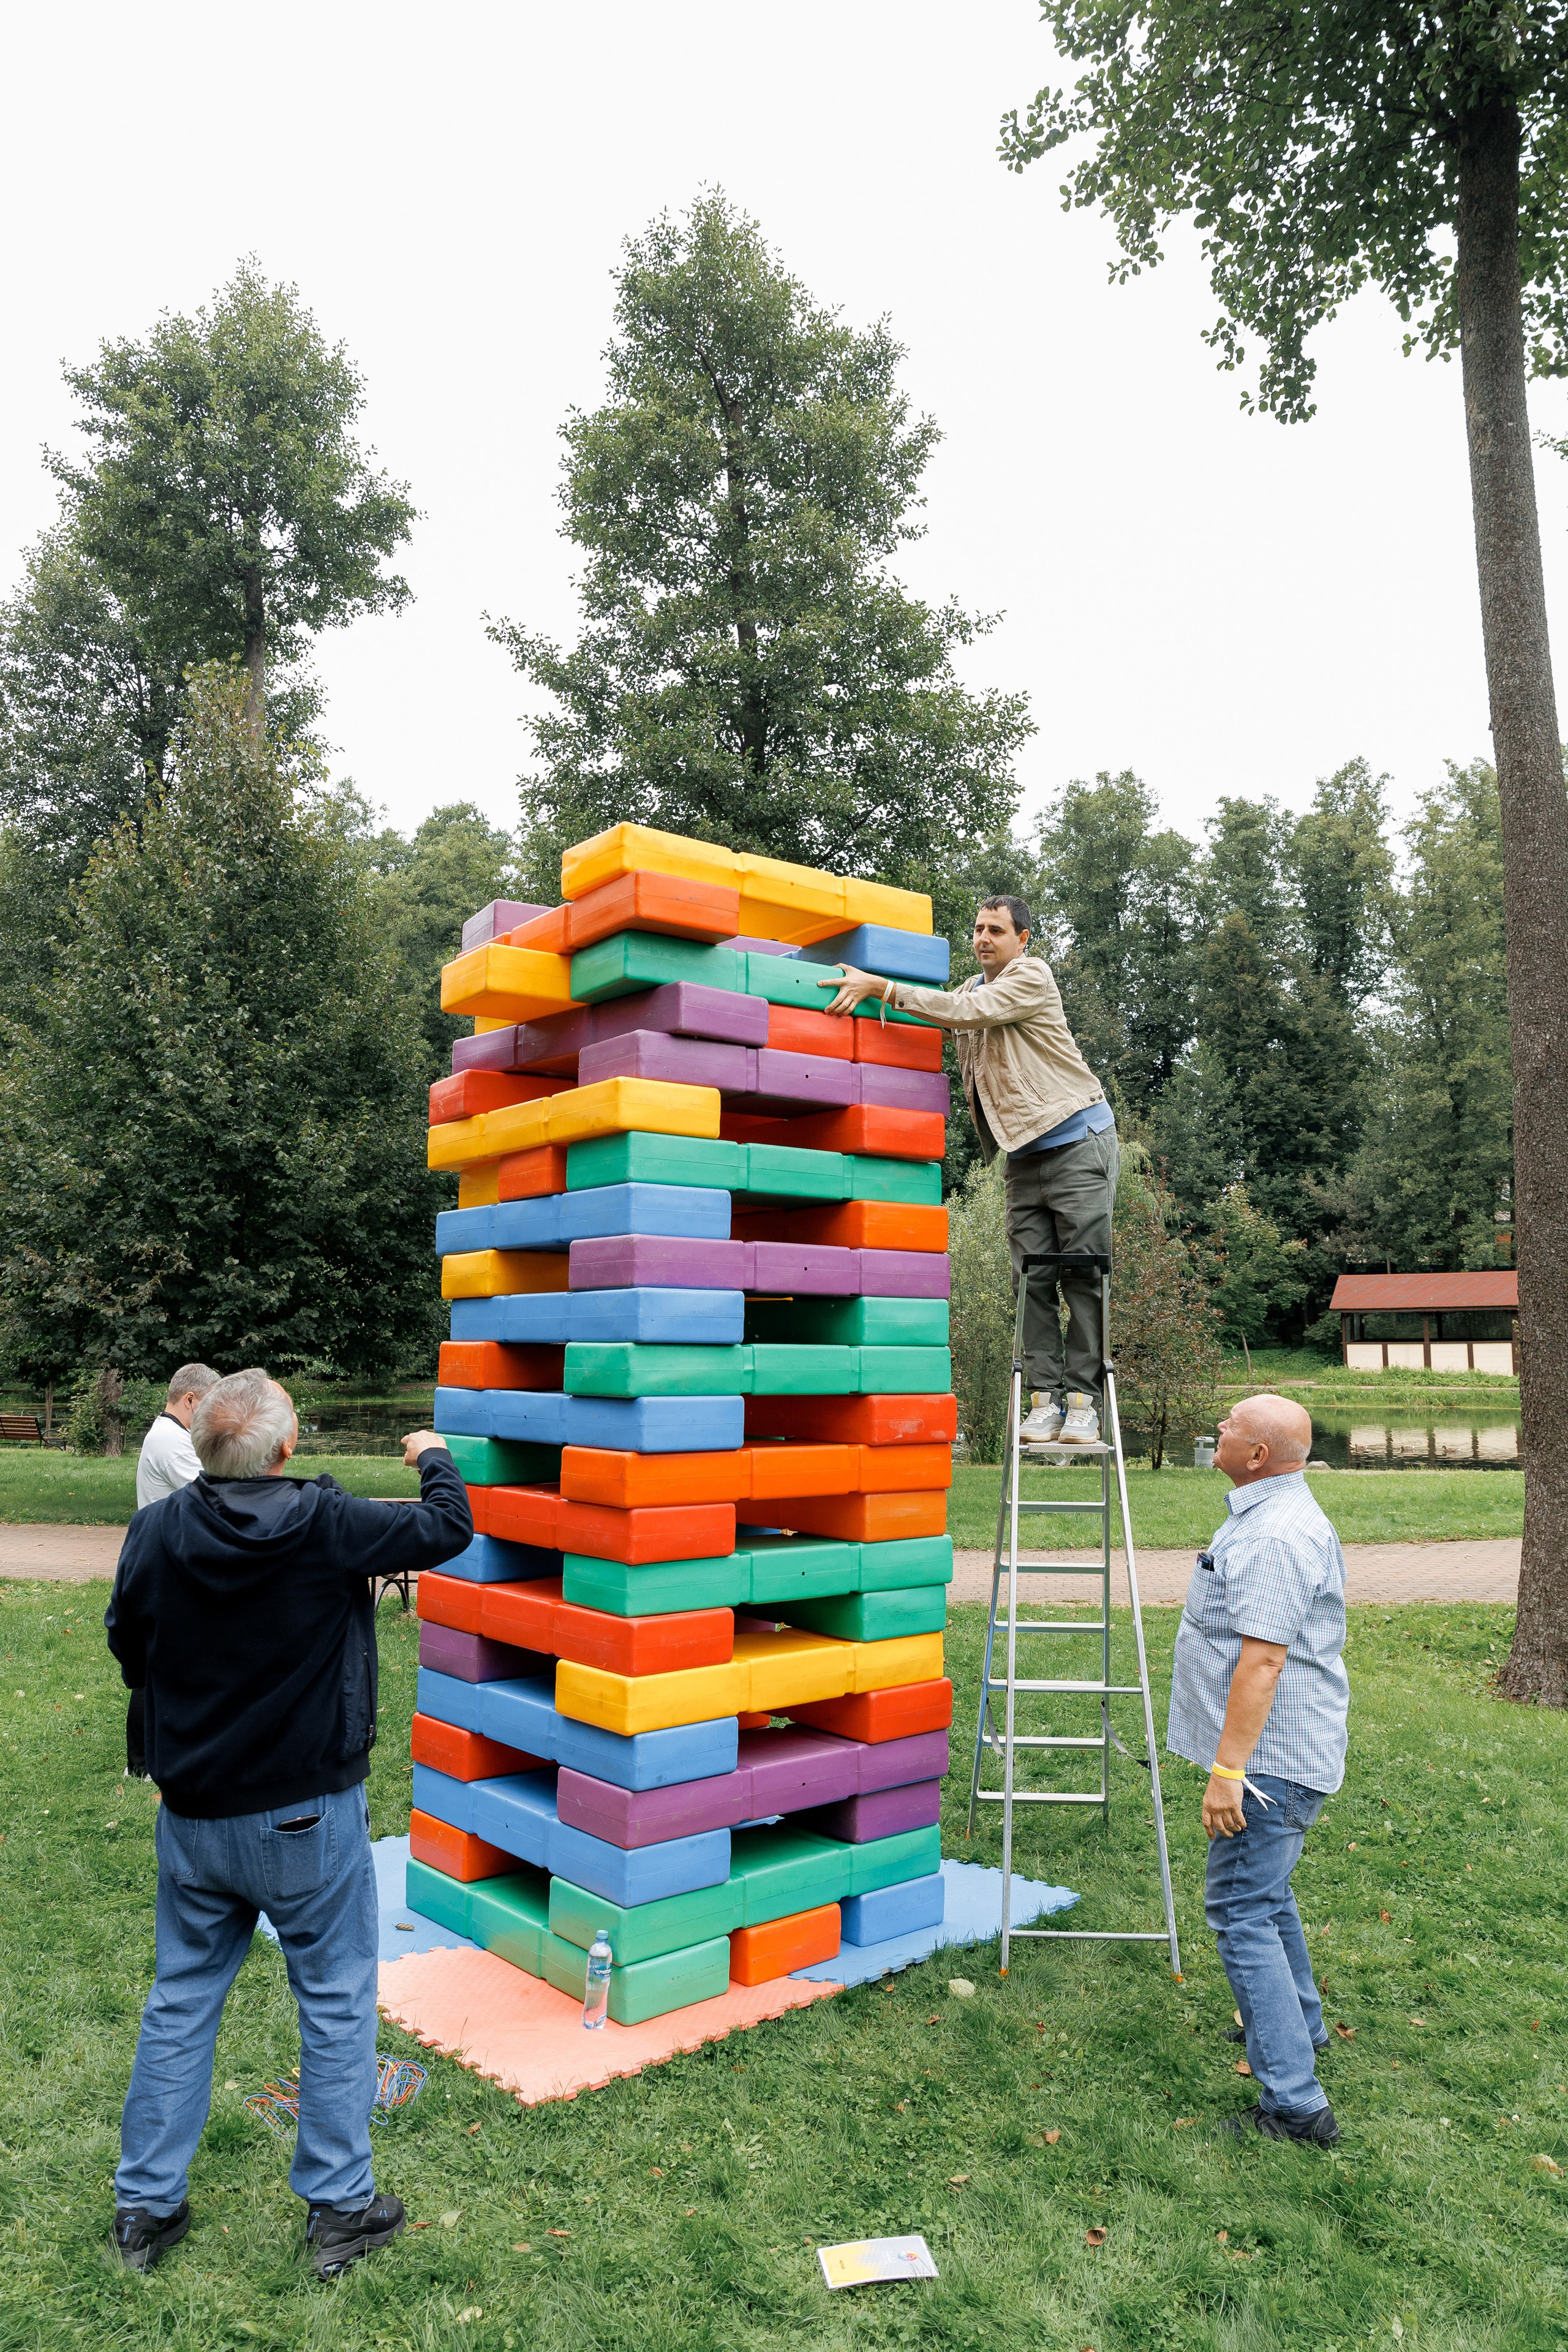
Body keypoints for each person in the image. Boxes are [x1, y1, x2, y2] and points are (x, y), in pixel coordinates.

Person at [104, 1367, 473, 2277]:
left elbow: (128, 1643)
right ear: (285, 1447)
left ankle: (146, 2208)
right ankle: (343, 2210)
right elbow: (447, 1528)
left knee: (181, 2001)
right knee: (339, 2000)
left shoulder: (157, 1530)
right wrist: (434, 1457)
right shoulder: (327, 1524)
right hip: (307, 1816)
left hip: (194, 1817)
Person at [823, 894, 1117, 1443]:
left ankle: (1083, 1402)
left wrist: (883, 987)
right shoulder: (968, 990)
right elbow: (941, 1009)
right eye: (978, 929)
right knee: (1030, 1279)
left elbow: (966, 1014)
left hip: (1078, 1142)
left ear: (1022, 939)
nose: (983, 938)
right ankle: (1044, 1401)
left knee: (1082, 1273)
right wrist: (871, 1002)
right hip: (1024, 1155)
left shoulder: (1032, 977)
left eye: (997, 931)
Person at [1166, 1393, 1349, 2145]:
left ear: (1258, 1456)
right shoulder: (1267, 1509)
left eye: (1232, 1424)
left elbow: (1264, 1660)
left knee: (1240, 1910)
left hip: (1267, 1764)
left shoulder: (1274, 1535)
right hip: (1278, 1755)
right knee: (1264, 1895)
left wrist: (1226, 1771)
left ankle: (1295, 2105)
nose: (1219, 1427)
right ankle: (1301, 2028)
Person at [124, 1364, 221, 1777]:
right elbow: (212, 1496)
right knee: (153, 1668)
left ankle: (154, 1756)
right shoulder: (170, 1441)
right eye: (209, 1405)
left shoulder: (169, 1435)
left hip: (166, 1557)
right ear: (191, 1400)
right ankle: (141, 1764)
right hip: (167, 1563)